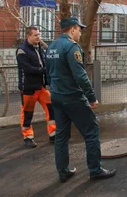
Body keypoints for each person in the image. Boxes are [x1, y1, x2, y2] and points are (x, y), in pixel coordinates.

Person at [45, 17, 116, 182]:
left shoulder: (51, 47)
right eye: (79, 29)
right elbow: (81, 76)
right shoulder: (71, 47)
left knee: (61, 136)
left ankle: (63, 172)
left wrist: (55, 89)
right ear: (72, 29)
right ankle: (95, 170)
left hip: (56, 96)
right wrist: (92, 97)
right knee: (91, 132)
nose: (80, 32)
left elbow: (48, 73)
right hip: (73, 97)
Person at [16, 26, 56, 148]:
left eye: (39, 35)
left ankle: (53, 134)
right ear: (28, 36)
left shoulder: (39, 48)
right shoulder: (21, 50)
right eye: (35, 35)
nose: (38, 37)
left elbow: (44, 63)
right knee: (27, 113)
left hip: (41, 87)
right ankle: (28, 137)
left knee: (51, 109)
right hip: (28, 88)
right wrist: (45, 70)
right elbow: (28, 69)